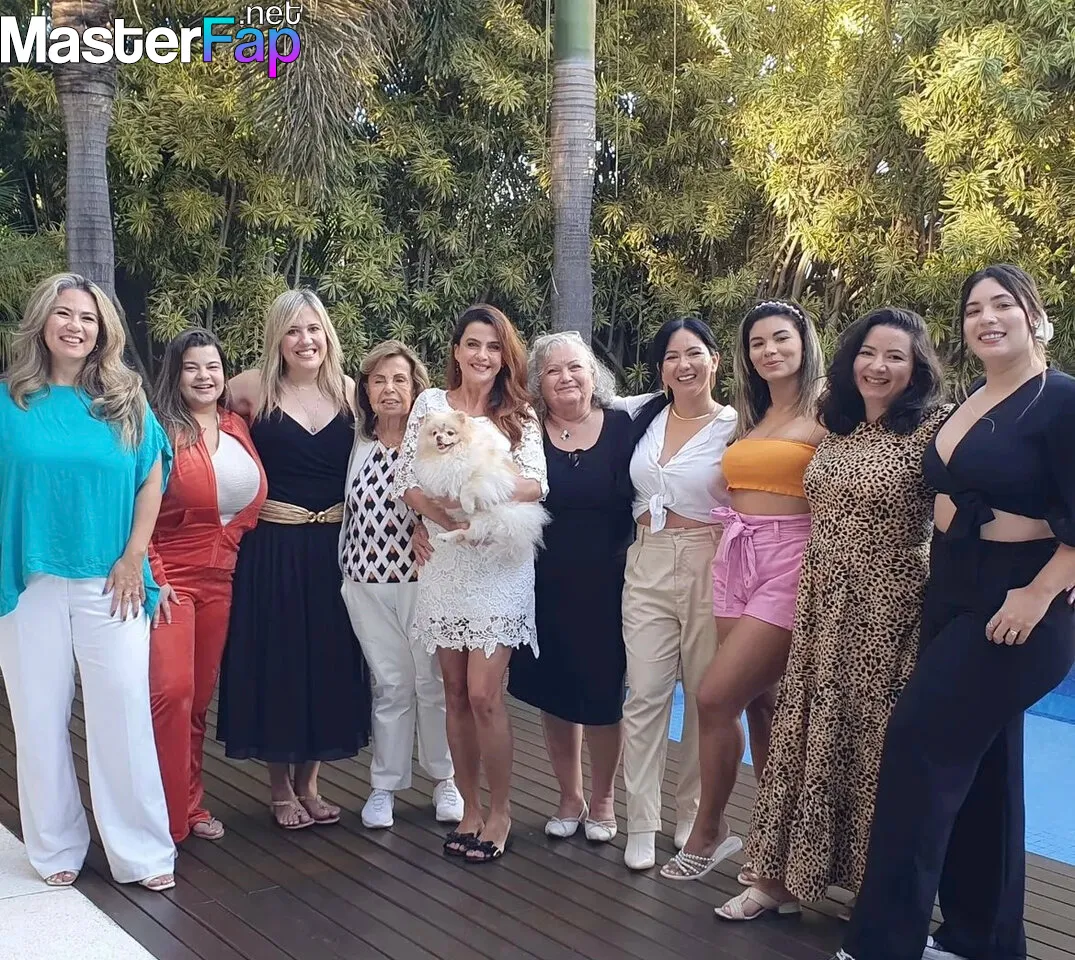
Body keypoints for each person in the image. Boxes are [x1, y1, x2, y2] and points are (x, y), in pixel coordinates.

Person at [835, 266, 1075, 960]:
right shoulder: (973, 398)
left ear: (1034, 316)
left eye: (1003, 304)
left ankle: (881, 944)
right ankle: (981, 937)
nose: (987, 318)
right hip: (951, 587)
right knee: (988, 765)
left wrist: (1038, 593)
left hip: (1017, 599)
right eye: (974, 309)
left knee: (917, 748)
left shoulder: (1062, 400)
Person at [716, 307, 948, 920]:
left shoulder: (934, 429)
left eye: (895, 356)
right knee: (806, 736)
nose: (878, 367)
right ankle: (780, 878)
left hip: (886, 608)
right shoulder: (838, 424)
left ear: (918, 368)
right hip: (822, 602)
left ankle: (874, 892)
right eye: (868, 353)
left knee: (871, 748)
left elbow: (977, 499)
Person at [0, 273, 176, 891]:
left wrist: (134, 556)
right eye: (64, 314)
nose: (75, 326)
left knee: (123, 711)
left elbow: (151, 478)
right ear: (42, 322)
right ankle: (54, 846)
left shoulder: (126, 401)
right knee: (38, 716)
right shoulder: (9, 401)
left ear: (104, 331)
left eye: (88, 317)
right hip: (28, 582)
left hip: (114, 579)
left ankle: (142, 852)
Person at [662, 300, 824, 882]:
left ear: (805, 344)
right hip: (736, 558)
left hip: (791, 560)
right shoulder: (752, 416)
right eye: (758, 343)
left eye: (781, 338)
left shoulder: (830, 409)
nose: (769, 351)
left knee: (713, 697)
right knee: (761, 702)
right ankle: (773, 843)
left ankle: (709, 830)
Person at [393, 304, 547, 862]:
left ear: (505, 356)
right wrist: (443, 517)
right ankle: (471, 809)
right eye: (473, 344)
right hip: (446, 559)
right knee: (453, 692)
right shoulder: (431, 405)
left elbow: (536, 485)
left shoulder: (519, 413)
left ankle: (501, 812)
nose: (482, 355)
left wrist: (480, 504)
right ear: (456, 351)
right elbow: (406, 478)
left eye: (493, 346)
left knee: (484, 694)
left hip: (499, 561)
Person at [218, 289, 372, 830]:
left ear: (327, 334)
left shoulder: (353, 393)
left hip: (336, 548)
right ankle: (280, 788)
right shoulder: (248, 389)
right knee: (278, 660)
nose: (305, 340)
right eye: (292, 330)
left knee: (327, 659)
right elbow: (198, 427)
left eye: (313, 329)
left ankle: (310, 783)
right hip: (273, 545)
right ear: (277, 338)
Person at [615, 317, 738, 871]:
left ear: (715, 360)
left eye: (693, 353)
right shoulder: (643, 414)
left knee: (704, 695)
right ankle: (641, 821)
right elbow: (578, 397)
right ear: (660, 368)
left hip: (711, 560)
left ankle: (691, 812)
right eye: (671, 356)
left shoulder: (736, 424)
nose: (682, 365)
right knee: (644, 693)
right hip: (646, 558)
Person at [507, 331, 635, 843]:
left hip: (611, 583)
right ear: (539, 382)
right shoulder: (525, 432)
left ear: (593, 373)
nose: (566, 377)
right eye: (553, 370)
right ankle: (569, 796)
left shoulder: (624, 425)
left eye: (575, 367)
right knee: (556, 692)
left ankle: (603, 800)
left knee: (605, 695)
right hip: (545, 581)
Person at [148, 328, 267, 844]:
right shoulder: (159, 429)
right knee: (170, 694)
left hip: (222, 578)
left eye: (212, 366)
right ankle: (162, 818)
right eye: (191, 367)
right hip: (170, 579)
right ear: (175, 374)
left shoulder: (237, 425)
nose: (203, 376)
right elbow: (136, 509)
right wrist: (153, 574)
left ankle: (190, 805)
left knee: (197, 699)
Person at [338, 339, 463, 830]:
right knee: (390, 685)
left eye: (399, 380)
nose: (389, 389)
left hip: (420, 580)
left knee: (431, 682)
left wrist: (422, 523)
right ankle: (384, 786)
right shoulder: (355, 443)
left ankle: (445, 779)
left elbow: (453, 499)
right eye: (378, 380)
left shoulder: (430, 442)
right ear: (365, 390)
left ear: (415, 388)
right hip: (363, 582)